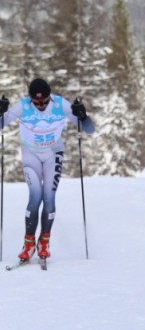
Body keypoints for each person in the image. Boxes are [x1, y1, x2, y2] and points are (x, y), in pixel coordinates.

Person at [0, 78, 95, 263]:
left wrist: (83, 116)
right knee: (35, 198)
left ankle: (44, 242)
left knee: (49, 198)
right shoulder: (23, 106)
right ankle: (28, 244)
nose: (41, 105)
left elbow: (89, 129)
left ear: (50, 97)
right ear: (31, 99)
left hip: (53, 153)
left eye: (45, 101)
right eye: (37, 102)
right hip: (30, 154)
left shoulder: (60, 104)